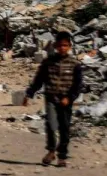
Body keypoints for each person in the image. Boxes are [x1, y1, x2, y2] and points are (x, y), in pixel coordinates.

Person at [23, 30, 84, 167]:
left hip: (66, 101)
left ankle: (62, 156)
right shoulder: (48, 62)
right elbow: (39, 80)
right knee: (51, 125)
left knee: (64, 128)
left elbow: (78, 85)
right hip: (51, 97)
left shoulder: (75, 64)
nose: (62, 48)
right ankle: (51, 151)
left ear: (69, 46)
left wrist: (69, 98)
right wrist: (29, 93)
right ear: (55, 46)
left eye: (65, 45)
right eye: (60, 45)